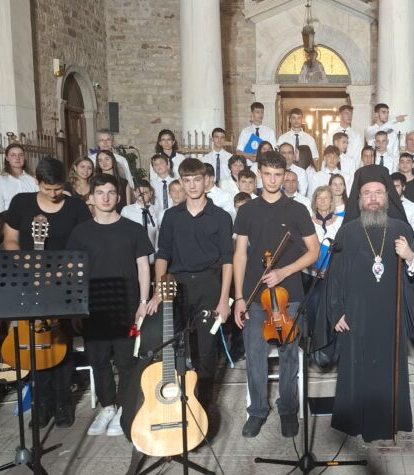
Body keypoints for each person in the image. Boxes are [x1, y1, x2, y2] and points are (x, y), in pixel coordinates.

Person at [314, 165, 414, 442]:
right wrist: (336, 312)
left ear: (387, 196)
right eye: (367, 193)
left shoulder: (401, 229)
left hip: (391, 316)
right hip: (355, 316)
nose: (373, 198)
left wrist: (410, 257)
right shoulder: (348, 232)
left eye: (378, 192)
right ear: (359, 198)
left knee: (388, 369)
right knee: (356, 368)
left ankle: (388, 421)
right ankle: (354, 421)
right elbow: (334, 278)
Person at [233, 151, 319, 438]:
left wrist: (284, 272)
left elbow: (313, 251)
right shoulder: (247, 210)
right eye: (267, 174)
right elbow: (240, 255)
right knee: (254, 353)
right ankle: (257, 411)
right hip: (254, 294)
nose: (272, 180)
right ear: (259, 173)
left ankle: (288, 410)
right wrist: (239, 297)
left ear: (285, 176)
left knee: (288, 354)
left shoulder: (297, 210)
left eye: (278, 175)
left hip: (288, 294)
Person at [4, 157, 92, 428]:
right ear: (37, 182)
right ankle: (41, 404)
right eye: (47, 189)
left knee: (61, 342)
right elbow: (10, 240)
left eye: (58, 188)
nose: (54, 194)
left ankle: (63, 403)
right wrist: (25, 265)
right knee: (35, 342)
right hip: (29, 283)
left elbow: (84, 245)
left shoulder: (76, 207)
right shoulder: (21, 203)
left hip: (65, 282)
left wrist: (61, 273)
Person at [67, 173, 153, 437]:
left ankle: (124, 409)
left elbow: (143, 267)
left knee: (126, 361)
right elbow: (74, 272)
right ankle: (107, 406)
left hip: (127, 307)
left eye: (111, 193)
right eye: (100, 193)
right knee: (99, 360)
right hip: (93, 308)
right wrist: (75, 307)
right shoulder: (80, 232)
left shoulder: (133, 229)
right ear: (91, 198)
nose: (105, 198)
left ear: (118, 197)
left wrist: (143, 302)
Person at [153, 158, 234, 410]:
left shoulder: (221, 217)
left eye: (197, 179)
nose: (192, 185)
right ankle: (177, 404)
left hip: (209, 285)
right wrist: (158, 291)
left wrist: (224, 300)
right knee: (176, 346)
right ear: (180, 181)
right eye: (186, 180)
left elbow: (227, 260)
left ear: (206, 181)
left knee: (206, 350)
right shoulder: (171, 216)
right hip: (176, 286)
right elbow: (163, 254)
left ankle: (204, 407)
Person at [0, 143, 39, 212]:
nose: (17, 158)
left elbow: (39, 202)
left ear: (24, 157)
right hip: (8, 218)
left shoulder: (32, 178)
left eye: (20, 155)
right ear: (7, 158)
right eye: (13, 155)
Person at [120, 179, 161, 255]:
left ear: (151, 193)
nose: (142, 195)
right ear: (135, 193)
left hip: (153, 254)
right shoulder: (127, 210)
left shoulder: (157, 210)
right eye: (139, 193)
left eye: (145, 192)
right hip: (133, 254)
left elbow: (160, 233)